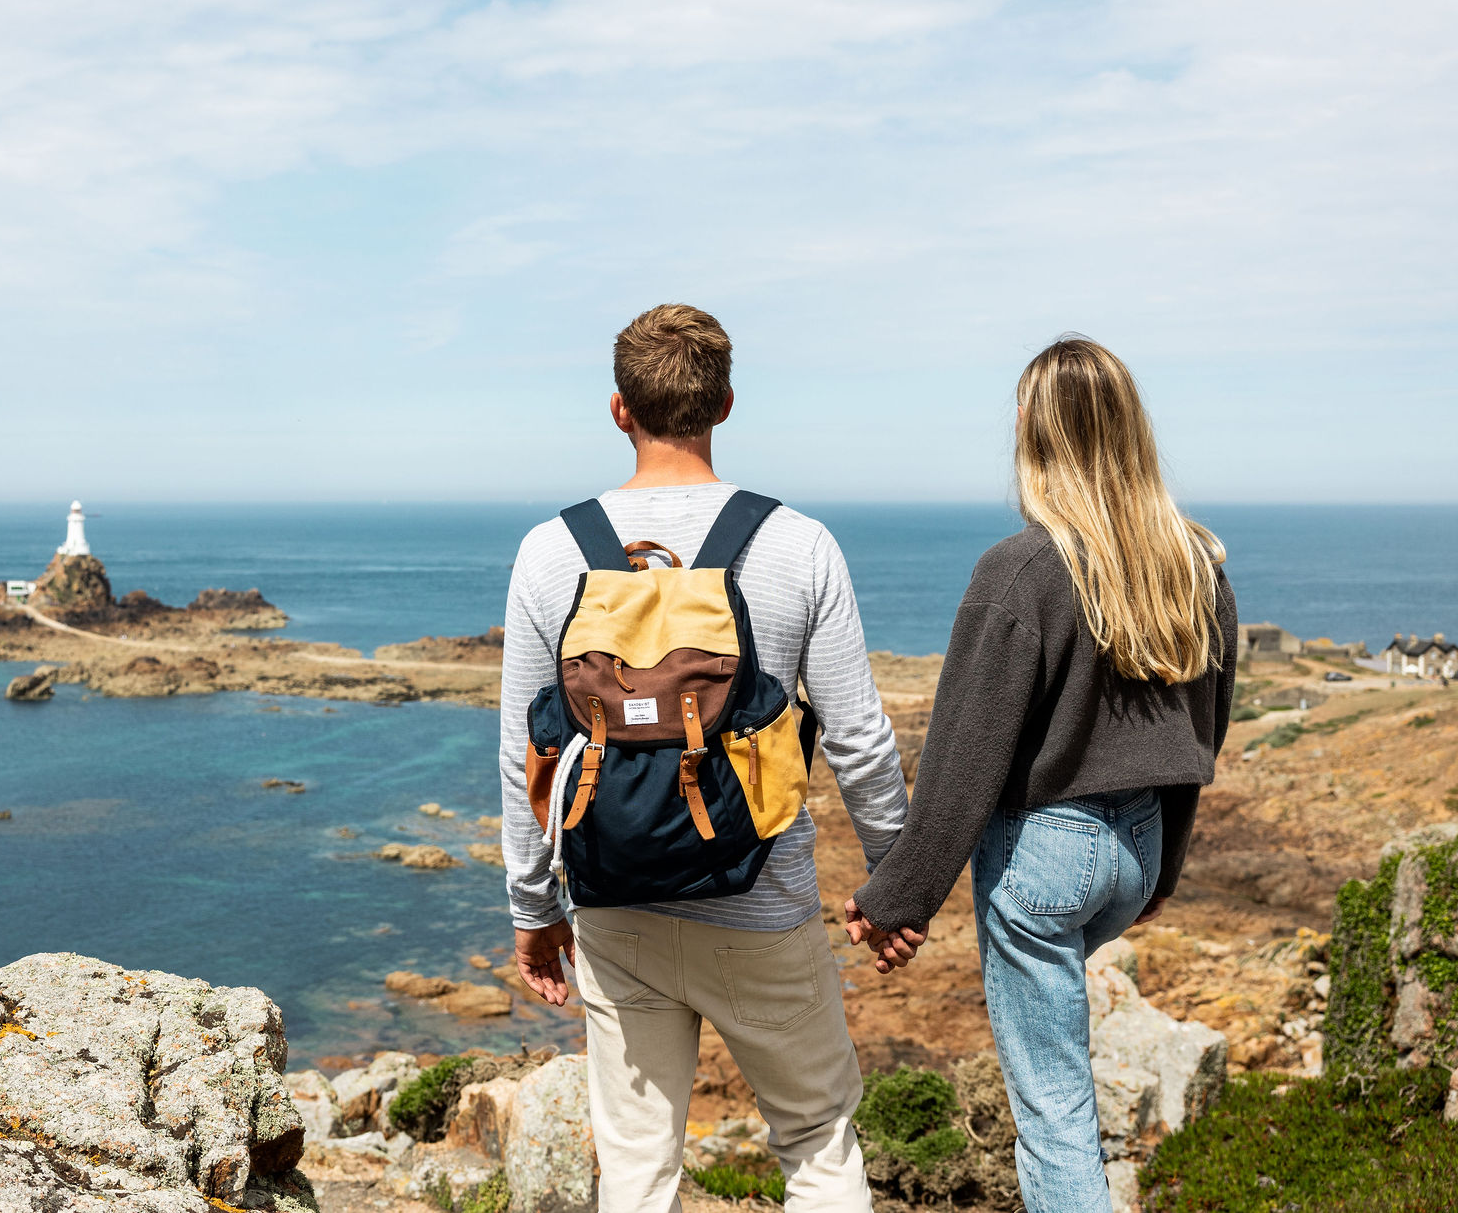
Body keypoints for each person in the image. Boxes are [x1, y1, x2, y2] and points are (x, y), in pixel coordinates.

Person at [499, 304, 917, 1213]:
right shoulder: (796, 544)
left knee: (639, 1167)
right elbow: (858, 738)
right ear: (725, 403)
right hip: (762, 904)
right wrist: (898, 887)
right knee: (814, 1140)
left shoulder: (549, 552)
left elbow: (525, 751)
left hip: (615, 909)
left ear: (619, 409)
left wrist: (534, 908)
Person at [847, 335, 1238, 1213]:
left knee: (1054, 1117)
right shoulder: (1193, 565)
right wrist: (1164, 869)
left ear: (1034, 432)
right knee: (1063, 1078)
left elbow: (962, 760)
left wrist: (899, 899)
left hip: (1046, 859)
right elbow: (1200, 735)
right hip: (1135, 852)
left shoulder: (1019, 571)